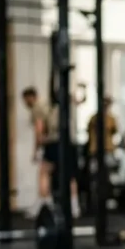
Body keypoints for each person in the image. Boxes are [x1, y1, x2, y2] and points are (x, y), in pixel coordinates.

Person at [21, 86, 81, 219]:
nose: (25, 103)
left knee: (44, 172)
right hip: (70, 143)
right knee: (69, 174)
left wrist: (36, 150)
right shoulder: (65, 106)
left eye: (25, 100)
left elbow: (39, 130)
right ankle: (74, 206)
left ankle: (43, 204)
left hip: (55, 142)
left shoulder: (38, 107)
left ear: (30, 97)